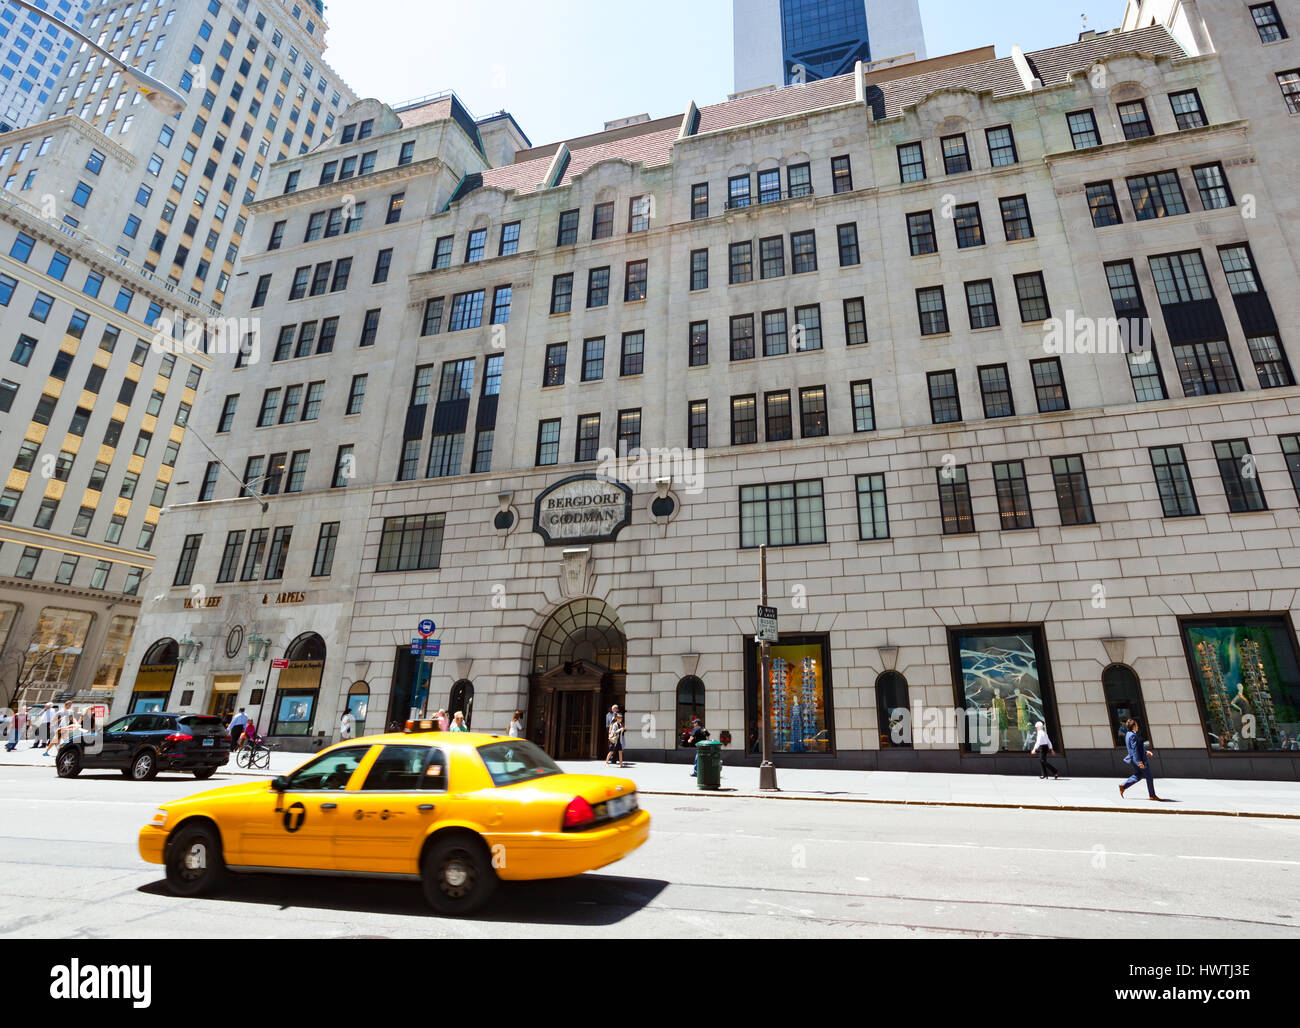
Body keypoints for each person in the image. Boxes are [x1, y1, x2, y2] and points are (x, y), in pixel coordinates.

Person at [1119, 718, 1162, 801]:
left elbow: (1136, 748)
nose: (1138, 726)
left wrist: (1146, 752)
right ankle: (1152, 795)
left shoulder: (1128, 734)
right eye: (1137, 725)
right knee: (1149, 776)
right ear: (1134, 726)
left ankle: (1123, 786)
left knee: (1139, 775)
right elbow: (1135, 749)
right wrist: (1139, 762)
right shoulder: (1132, 735)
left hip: (1134, 759)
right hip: (1139, 760)